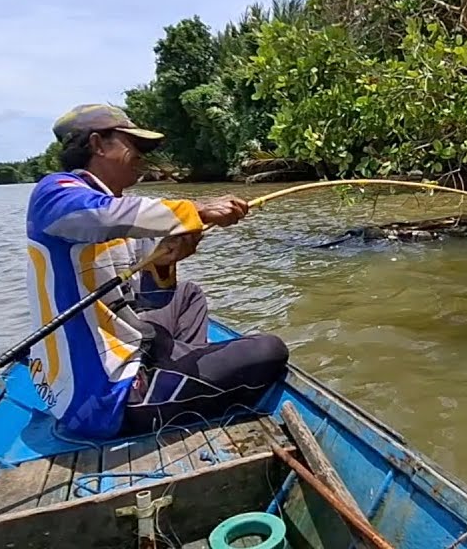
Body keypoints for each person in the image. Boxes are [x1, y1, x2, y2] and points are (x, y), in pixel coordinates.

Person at [24, 103, 289, 440]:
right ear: (98, 144)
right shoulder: (55, 194)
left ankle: (182, 370)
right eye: (135, 146)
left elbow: (150, 299)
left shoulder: (121, 212)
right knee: (269, 350)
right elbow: (101, 217)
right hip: (103, 400)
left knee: (187, 295)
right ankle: (175, 383)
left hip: (129, 348)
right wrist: (200, 209)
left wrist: (167, 261)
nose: (143, 156)